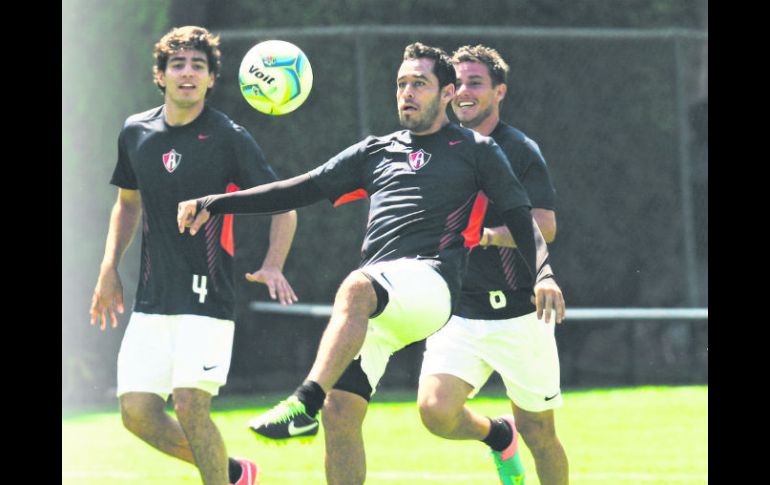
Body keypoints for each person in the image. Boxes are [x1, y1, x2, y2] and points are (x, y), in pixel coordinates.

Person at [177, 42, 565, 484]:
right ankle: (318, 405)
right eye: (402, 84)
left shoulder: (477, 149)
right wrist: (216, 202)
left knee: (357, 288)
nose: (407, 92)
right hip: (386, 301)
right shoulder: (375, 152)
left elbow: (522, 216)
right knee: (340, 411)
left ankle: (303, 401)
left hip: (433, 285)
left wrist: (544, 273)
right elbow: (296, 190)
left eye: (419, 83)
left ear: (447, 93)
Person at [89, 26, 298, 485]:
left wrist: (272, 263)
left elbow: (284, 205)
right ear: (160, 75)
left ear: (211, 79)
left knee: (189, 404)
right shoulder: (136, 131)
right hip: (151, 300)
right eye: (178, 64)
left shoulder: (229, 137)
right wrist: (108, 267)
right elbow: (127, 204)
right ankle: (234, 473)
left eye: (198, 66)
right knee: (136, 413)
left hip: (207, 298)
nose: (187, 73)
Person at [415, 45, 569, 485]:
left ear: (499, 91)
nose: (464, 91)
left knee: (540, 433)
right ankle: (499, 435)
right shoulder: (433, 147)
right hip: (459, 311)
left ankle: (519, 438)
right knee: (435, 412)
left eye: (475, 83)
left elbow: (546, 225)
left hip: (520, 313)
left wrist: (487, 235)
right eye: (457, 83)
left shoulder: (518, 149)